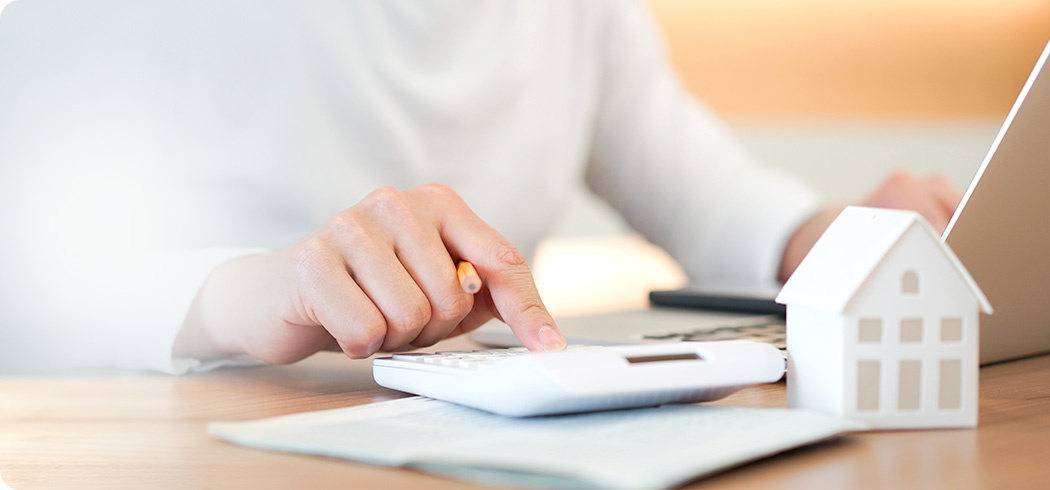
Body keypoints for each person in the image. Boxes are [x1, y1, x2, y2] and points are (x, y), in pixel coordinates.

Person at [0, 0, 960, 374]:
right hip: (167, 444)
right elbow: (28, 276)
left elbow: (705, 191)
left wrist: (834, 236)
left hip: (462, 437)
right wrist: (238, 290)